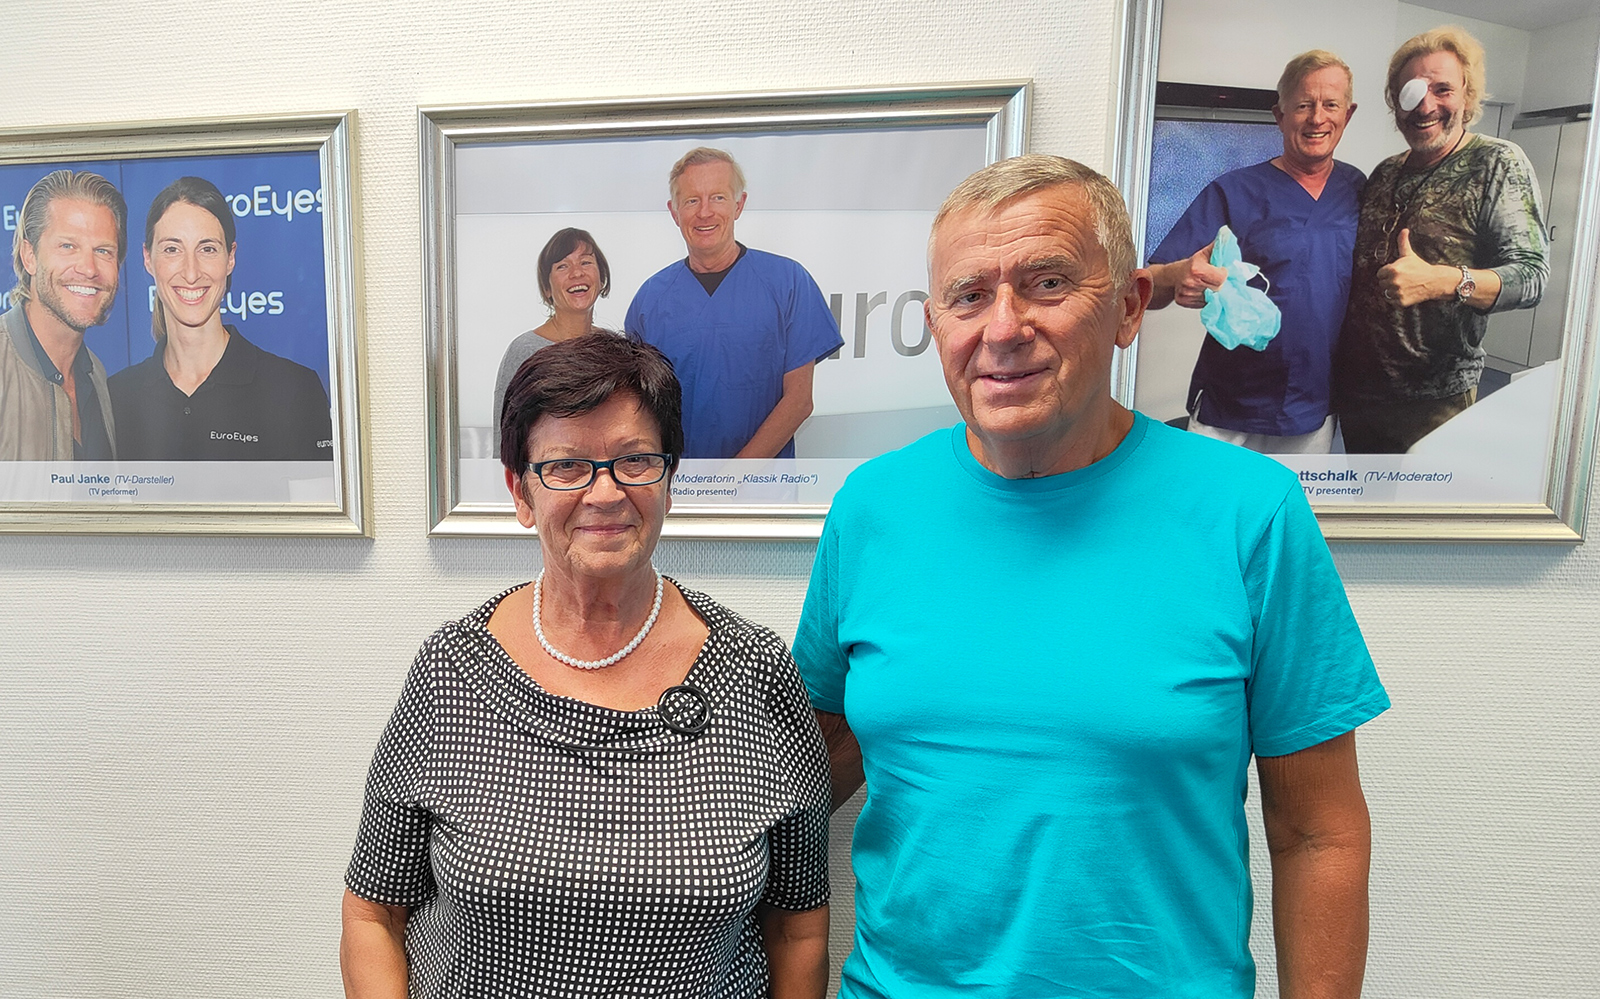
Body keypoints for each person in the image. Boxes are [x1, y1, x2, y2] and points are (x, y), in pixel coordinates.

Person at [793, 155, 1389, 998]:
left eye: (1047, 283)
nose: (1003, 327)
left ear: (1129, 307)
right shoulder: (873, 508)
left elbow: (1317, 832)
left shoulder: (1249, 512)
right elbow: (811, 761)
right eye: (970, 295)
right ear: (936, 324)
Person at [341, 333, 831, 999]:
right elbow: (373, 913)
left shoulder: (757, 672)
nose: (605, 492)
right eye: (567, 466)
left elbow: (797, 928)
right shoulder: (451, 670)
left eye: (635, 460)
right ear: (520, 491)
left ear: (668, 479)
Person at [1334, 26, 1549, 453]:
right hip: (1358, 395)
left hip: (1434, 402)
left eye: (1443, 89)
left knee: (1422, 499)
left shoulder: (1497, 162)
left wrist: (1444, 281)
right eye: (1412, 92)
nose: (1426, 105)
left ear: (1467, 95)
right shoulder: (1385, 172)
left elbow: (1531, 276)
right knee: (1363, 497)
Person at [1147, 50, 1363, 453]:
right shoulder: (1234, 191)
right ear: (1280, 116)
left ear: (1347, 115)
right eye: (1303, 105)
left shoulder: (1358, 190)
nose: (1317, 118)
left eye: (1331, 105)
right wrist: (1178, 275)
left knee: (1291, 496)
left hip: (1312, 403)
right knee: (1211, 494)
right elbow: (1147, 287)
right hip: (1231, 400)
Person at [624, 147, 842, 459]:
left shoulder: (789, 282)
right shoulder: (649, 300)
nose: (705, 212)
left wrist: (735, 476)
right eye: (692, 200)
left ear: (739, 205)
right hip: (679, 480)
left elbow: (799, 401)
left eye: (718, 197)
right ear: (674, 212)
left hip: (765, 483)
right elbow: (639, 407)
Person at [108, 177, 332, 461]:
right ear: (148, 259)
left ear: (230, 258)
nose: (191, 273)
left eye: (207, 249)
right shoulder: (115, 398)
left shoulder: (294, 389)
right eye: (172, 249)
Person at [0, 169, 124, 461]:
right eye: (68, 246)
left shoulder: (96, 376)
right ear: (29, 255)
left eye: (103, 251)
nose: (89, 268)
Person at [490, 227, 612, 457]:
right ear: (547, 288)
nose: (577, 273)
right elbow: (506, 442)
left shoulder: (615, 350)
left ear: (602, 277)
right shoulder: (526, 351)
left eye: (586, 262)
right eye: (562, 266)